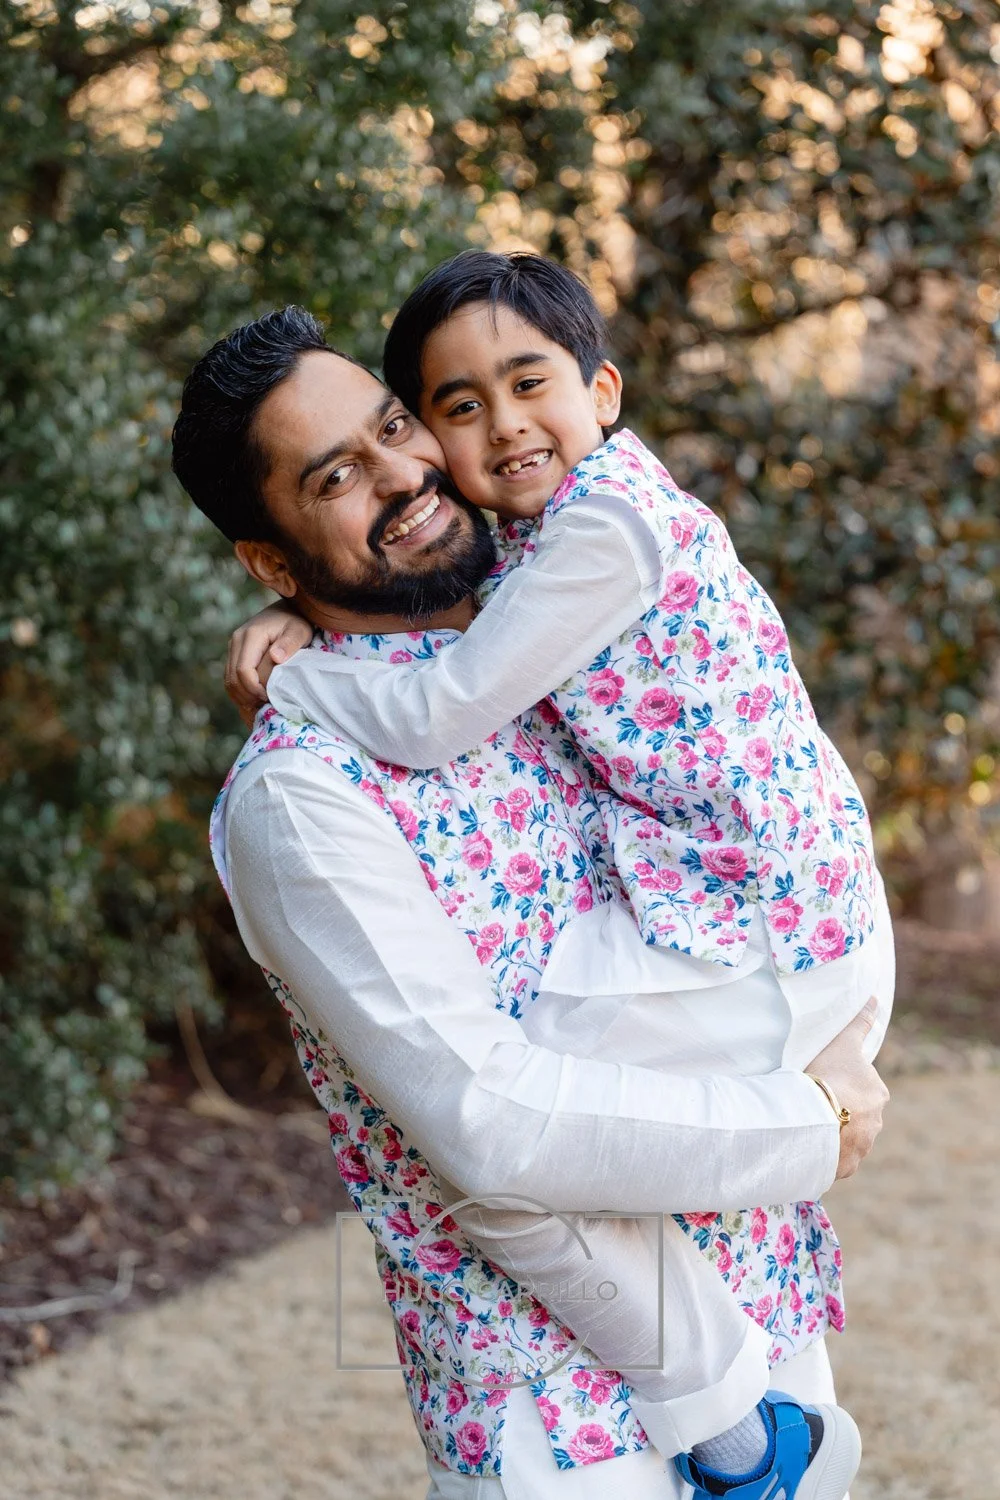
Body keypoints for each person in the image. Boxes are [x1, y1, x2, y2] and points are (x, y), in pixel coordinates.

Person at [173, 306, 888, 1500]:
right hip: (563, 1426)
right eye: (338, 477)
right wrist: (815, 1129)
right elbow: (489, 1126)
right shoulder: (300, 800)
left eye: (395, 426)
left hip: (760, 1303)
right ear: (270, 556)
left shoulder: (539, 608)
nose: (404, 474)